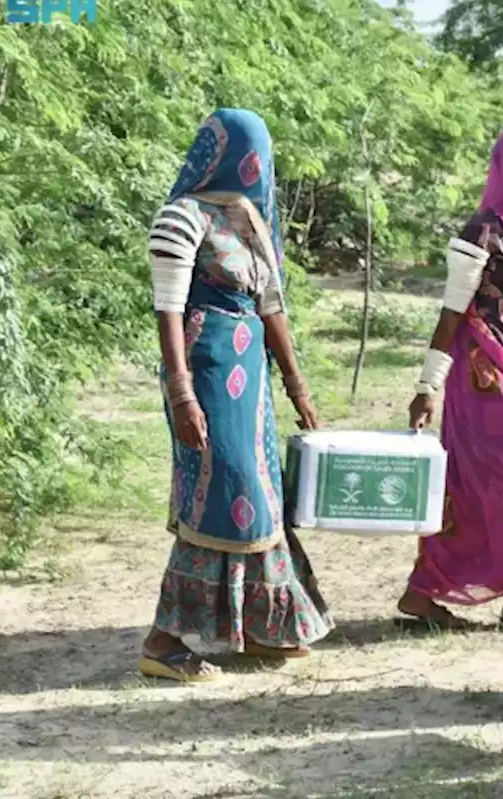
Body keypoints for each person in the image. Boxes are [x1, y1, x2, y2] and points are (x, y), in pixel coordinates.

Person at [139, 108, 331, 683]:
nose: (257, 166)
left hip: (251, 385)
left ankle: (265, 627)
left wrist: (297, 386)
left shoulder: (250, 218)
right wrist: (182, 394)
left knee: (263, 498)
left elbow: (271, 306)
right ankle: (165, 641)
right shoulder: (182, 217)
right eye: (249, 152)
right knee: (221, 494)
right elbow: (169, 309)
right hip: (206, 374)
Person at [399, 126, 503, 635]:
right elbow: (451, 315)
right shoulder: (482, 234)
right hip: (483, 377)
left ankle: (423, 594)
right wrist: (429, 385)